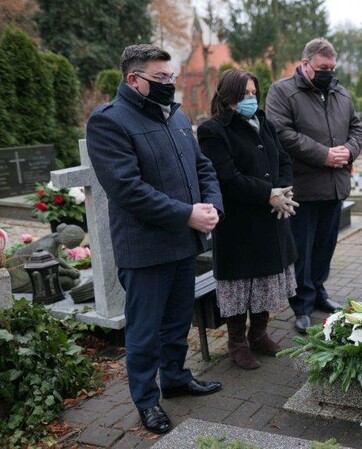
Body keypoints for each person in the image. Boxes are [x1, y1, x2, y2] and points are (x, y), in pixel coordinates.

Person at [86, 44, 224, 435]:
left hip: (183, 244)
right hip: (145, 250)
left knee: (177, 322)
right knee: (145, 333)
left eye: (171, 78)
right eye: (160, 79)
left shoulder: (175, 118)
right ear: (133, 79)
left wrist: (212, 206)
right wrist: (187, 214)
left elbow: (203, 167)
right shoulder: (109, 122)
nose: (169, 85)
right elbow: (127, 189)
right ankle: (147, 401)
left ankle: (177, 379)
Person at [197, 69, 298, 370]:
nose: (251, 100)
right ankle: (236, 343)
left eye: (254, 93)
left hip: (271, 216)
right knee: (242, 284)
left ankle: (259, 334)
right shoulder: (213, 130)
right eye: (244, 95)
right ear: (228, 97)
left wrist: (284, 189)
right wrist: (268, 193)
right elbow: (226, 177)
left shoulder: (264, 122)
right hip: (240, 223)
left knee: (267, 279)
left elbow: (284, 159)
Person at [266, 37, 362, 334]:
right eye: (323, 67)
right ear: (306, 64)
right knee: (302, 251)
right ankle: (301, 304)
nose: (328, 72)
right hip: (303, 189)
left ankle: (319, 291)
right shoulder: (283, 92)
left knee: (325, 247)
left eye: (332, 67)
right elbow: (281, 133)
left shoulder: (340, 93)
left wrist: (349, 150)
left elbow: (358, 128)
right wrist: (324, 155)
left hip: (334, 188)